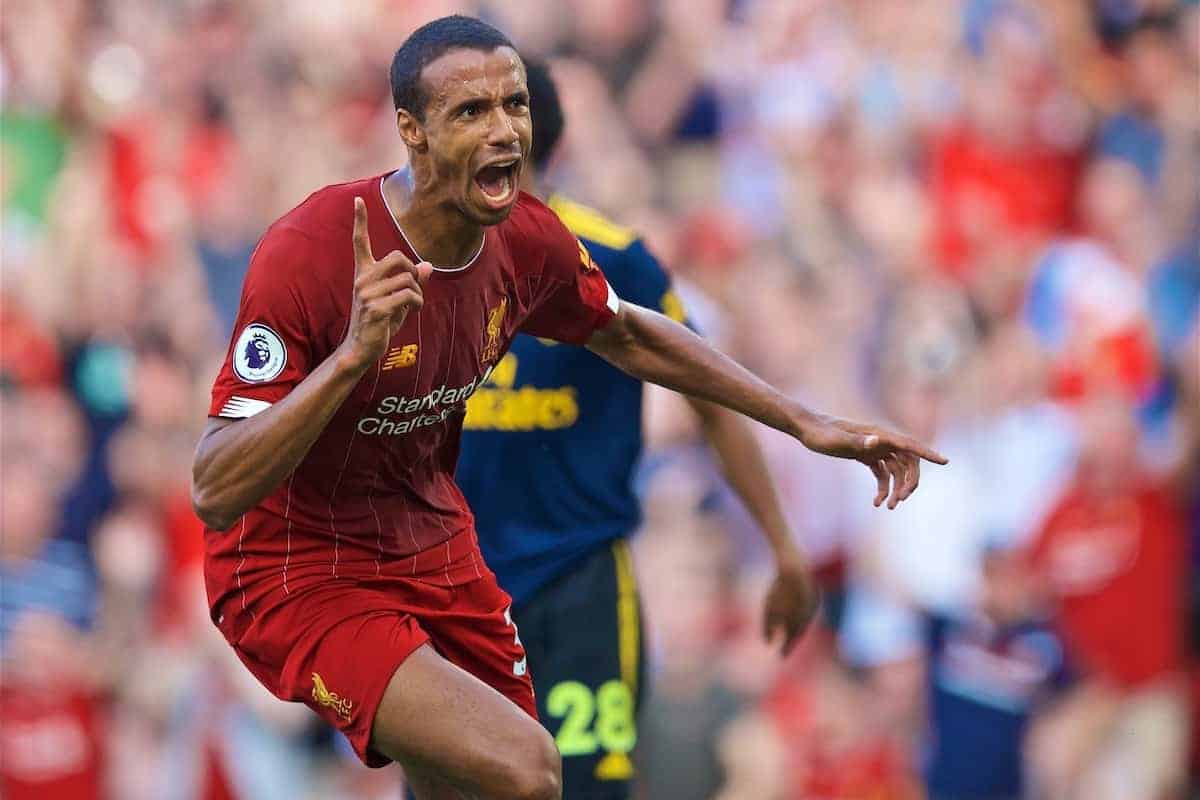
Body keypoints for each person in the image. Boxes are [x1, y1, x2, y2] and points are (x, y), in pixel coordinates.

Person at [190, 15, 946, 800]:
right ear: (411, 133)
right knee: (530, 772)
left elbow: (630, 335)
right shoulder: (313, 251)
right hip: (299, 567)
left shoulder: (528, 240)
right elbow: (213, 486)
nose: (504, 130)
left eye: (513, 105)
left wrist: (804, 420)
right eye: (470, 112)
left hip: (439, 551)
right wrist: (351, 359)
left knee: (484, 783)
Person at [455, 59, 820, 800]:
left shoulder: (615, 260)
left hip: (580, 581)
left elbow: (711, 399)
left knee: (588, 790)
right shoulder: (416, 262)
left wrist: (784, 547)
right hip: (455, 591)